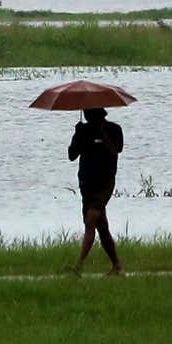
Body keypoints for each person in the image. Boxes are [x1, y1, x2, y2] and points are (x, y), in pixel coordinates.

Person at [68, 107, 124, 276]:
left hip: (104, 183)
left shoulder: (114, 129)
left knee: (91, 220)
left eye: (92, 115)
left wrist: (102, 134)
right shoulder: (83, 131)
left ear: (102, 115)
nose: (89, 118)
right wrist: (78, 135)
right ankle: (116, 266)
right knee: (101, 226)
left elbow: (116, 150)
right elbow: (71, 155)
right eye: (87, 115)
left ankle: (78, 266)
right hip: (87, 184)